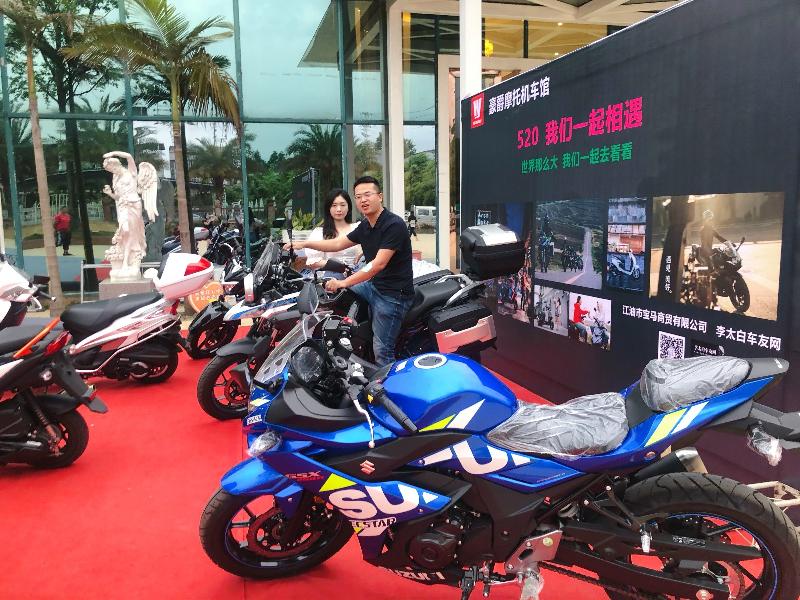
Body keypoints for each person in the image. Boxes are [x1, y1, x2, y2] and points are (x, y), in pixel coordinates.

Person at [285, 176, 414, 366]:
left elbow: (377, 264)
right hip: (373, 285)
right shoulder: (366, 225)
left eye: (367, 194)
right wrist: (304, 243)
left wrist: (344, 282)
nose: (363, 200)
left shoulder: (393, 225)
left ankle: (386, 381)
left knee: (382, 350)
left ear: (380, 196)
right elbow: (337, 243)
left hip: (392, 295)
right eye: (358, 196)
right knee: (336, 299)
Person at [304, 189, 362, 279]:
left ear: (349, 207)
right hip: (330, 278)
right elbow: (313, 262)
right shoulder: (319, 232)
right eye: (334, 205)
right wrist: (338, 267)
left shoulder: (358, 227)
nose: (339, 209)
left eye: (343, 205)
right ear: (328, 208)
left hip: (357, 276)